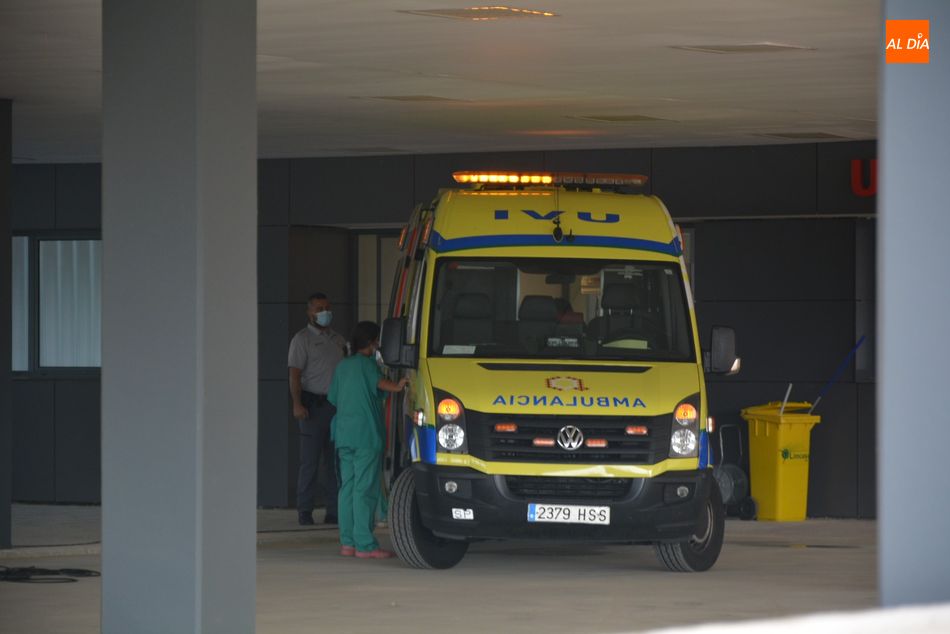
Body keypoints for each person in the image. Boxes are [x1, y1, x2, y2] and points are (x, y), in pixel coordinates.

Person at [329, 321, 408, 559]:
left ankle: (348, 543)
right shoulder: (368, 365)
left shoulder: (343, 366)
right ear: (372, 342)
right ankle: (365, 545)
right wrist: (399, 386)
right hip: (366, 436)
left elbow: (333, 397)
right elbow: (382, 385)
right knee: (364, 489)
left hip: (344, 435)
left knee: (347, 488)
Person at [288, 292, 347, 526]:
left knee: (334, 463)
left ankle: (333, 511)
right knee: (309, 463)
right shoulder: (302, 339)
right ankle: (305, 511)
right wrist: (297, 403)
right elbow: (294, 375)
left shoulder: (338, 340)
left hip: (336, 408)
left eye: (327, 308)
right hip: (312, 407)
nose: (324, 313)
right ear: (309, 312)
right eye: (319, 309)